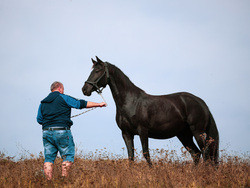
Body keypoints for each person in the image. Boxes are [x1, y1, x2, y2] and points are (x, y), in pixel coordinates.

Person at [37, 81, 106, 180]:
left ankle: (48, 182)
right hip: (62, 131)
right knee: (68, 156)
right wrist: (99, 104)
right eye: (63, 89)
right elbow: (80, 104)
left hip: (47, 132)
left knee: (48, 159)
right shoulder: (63, 97)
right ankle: (64, 180)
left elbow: (39, 120)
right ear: (60, 88)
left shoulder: (43, 102)